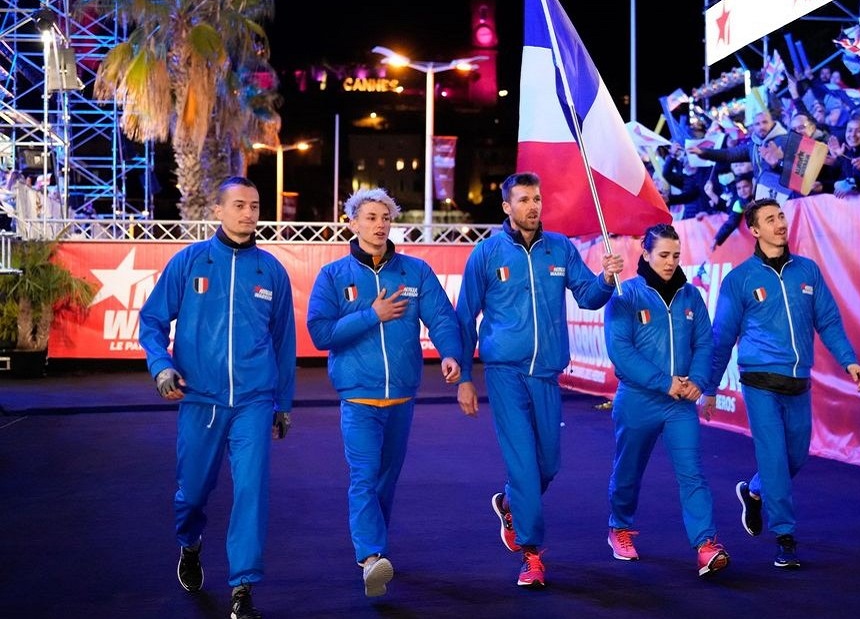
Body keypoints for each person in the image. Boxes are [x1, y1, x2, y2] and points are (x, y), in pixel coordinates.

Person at [455, 171, 624, 588]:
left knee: (548, 465)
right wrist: (464, 376)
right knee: (526, 468)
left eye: (537, 199)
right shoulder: (487, 253)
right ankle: (532, 555)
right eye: (524, 200)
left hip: (547, 374)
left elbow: (588, 297)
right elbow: (464, 316)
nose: (533, 206)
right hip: (504, 373)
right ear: (506, 207)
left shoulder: (560, 248)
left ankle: (510, 503)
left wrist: (604, 278)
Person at [139, 176, 296, 619]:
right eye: (240, 205)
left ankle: (242, 587)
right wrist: (161, 366)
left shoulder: (271, 271)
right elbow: (151, 322)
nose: (249, 213)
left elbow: (284, 344)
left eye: (256, 205)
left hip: (254, 401)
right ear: (219, 210)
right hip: (200, 400)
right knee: (191, 494)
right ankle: (189, 542)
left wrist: (282, 404)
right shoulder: (189, 263)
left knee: (251, 491)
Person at [306, 188, 463, 598]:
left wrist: (450, 353)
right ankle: (371, 557)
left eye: (385, 218)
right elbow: (320, 333)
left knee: (385, 481)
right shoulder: (334, 276)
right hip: (358, 398)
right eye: (370, 217)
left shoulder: (415, 272)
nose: (379, 225)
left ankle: (377, 552)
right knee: (363, 477)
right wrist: (370, 315)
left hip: (402, 398)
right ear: (353, 223)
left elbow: (443, 317)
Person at [707, 198, 860, 568]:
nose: (780, 223)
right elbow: (721, 339)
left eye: (781, 216)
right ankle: (786, 538)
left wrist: (849, 360)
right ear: (754, 230)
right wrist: (711, 388)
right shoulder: (739, 280)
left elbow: (827, 320)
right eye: (770, 219)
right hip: (759, 382)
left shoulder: (807, 272)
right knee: (775, 459)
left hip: (799, 383)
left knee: (795, 457)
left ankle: (754, 490)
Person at [602, 223, 730, 577]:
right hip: (637, 400)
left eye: (676, 255)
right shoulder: (624, 295)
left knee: (693, 474)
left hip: (679, 404)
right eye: (663, 255)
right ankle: (620, 527)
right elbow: (620, 351)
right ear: (645, 254)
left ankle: (706, 545)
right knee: (628, 472)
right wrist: (663, 382)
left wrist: (699, 382)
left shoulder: (691, 297)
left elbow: (705, 343)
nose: (671, 262)